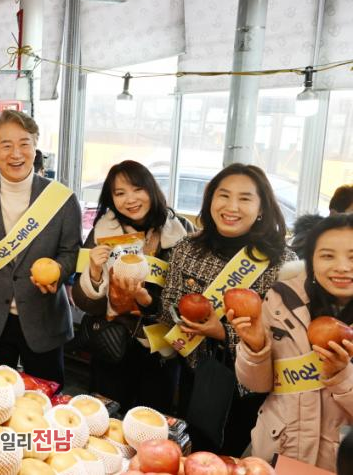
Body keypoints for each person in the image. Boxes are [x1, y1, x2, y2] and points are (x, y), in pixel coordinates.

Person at [160, 163, 296, 456]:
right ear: (210, 200)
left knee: (236, 460)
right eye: (223, 195)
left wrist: (223, 333)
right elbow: (168, 302)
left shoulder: (283, 263)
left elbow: (287, 341)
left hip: (251, 389)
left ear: (261, 209)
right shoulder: (188, 247)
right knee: (194, 454)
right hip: (197, 375)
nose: (231, 207)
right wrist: (181, 319)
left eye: (245, 198)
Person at [0, 110, 82, 386]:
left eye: (24, 143)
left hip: (44, 317)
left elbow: (71, 252)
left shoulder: (62, 199)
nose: (16, 153)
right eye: (6, 145)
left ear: (35, 147)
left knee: (46, 400)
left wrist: (58, 271)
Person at [231, 214, 353, 472]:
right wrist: (255, 348)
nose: (342, 267)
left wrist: (342, 376)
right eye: (327, 256)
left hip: (338, 461)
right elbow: (257, 385)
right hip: (279, 449)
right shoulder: (281, 298)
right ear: (311, 259)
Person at [72, 160, 195, 414]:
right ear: (111, 199)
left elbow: (191, 297)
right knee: (105, 420)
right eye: (120, 193)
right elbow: (84, 303)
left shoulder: (181, 232)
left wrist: (150, 303)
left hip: (162, 350)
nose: (130, 199)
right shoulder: (101, 233)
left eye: (138, 189)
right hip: (111, 344)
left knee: (153, 423)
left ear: (152, 189)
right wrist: (94, 272)